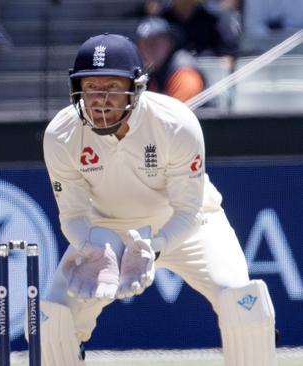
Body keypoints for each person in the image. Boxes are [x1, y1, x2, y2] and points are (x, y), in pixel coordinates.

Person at [37, 33, 276, 366]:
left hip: (187, 226)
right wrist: (94, 246)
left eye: (112, 87)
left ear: (137, 89)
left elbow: (188, 212)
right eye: (90, 87)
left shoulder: (175, 124)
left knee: (243, 301)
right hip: (107, 228)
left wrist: (156, 245)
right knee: (53, 316)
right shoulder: (61, 134)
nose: (100, 100)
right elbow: (73, 216)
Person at [135, 16, 205, 102]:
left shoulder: (184, 71)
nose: (150, 48)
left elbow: (178, 109)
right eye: (145, 43)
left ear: (170, 43)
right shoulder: (151, 71)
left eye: (156, 42)